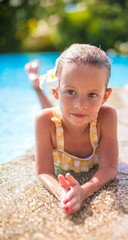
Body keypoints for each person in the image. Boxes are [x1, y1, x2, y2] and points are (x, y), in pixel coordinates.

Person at [25, 44, 118, 215]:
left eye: (92, 95)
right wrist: (61, 192)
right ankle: (37, 87)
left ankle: (48, 88)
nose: (81, 105)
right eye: (71, 91)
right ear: (55, 91)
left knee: (67, 111)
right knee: (51, 114)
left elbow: (109, 168)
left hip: (63, 117)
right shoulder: (43, 122)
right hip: (54, 122)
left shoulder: (106, 117)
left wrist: (85, 190)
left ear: (105, 96)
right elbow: (44, 171)